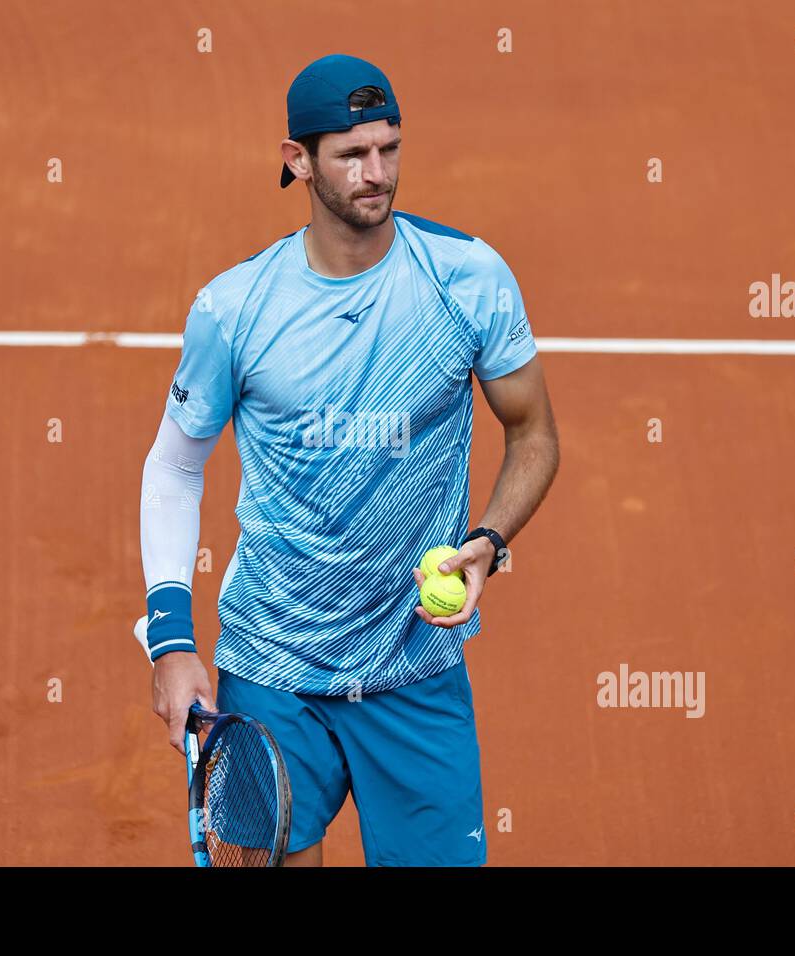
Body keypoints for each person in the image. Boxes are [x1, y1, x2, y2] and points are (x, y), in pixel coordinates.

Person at [140, 54, 559, 866]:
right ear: (298, 161)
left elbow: (534, 431)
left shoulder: (468, 279)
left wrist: (489, 543)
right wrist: (171, 642)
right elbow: (173, 467)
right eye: (352, 155)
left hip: (415, 665)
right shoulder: (236, 309)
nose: (378, 174)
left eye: (390, 149)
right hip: (273, 665)